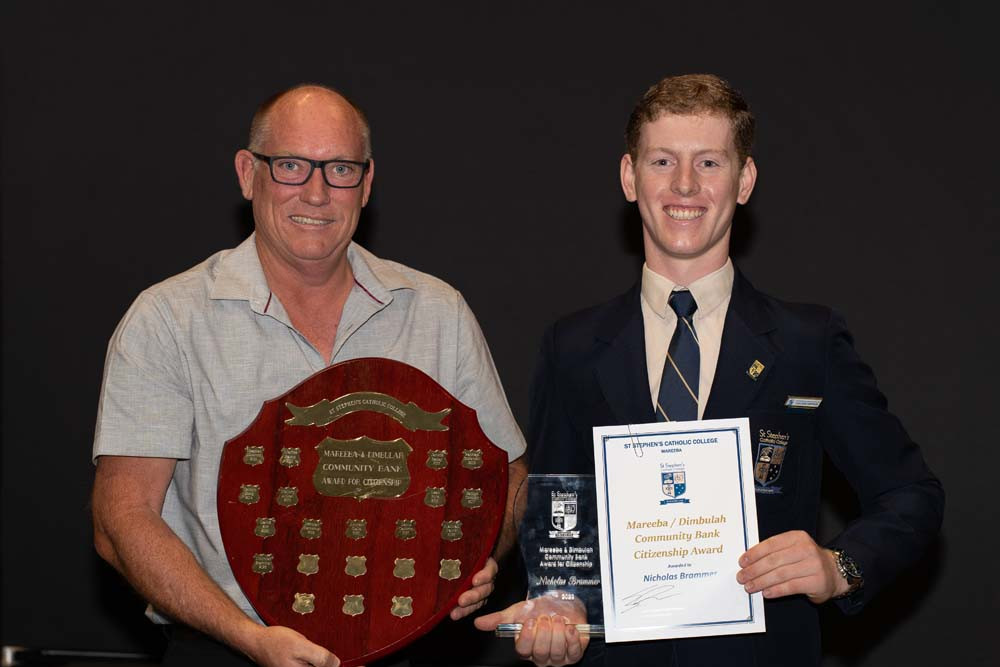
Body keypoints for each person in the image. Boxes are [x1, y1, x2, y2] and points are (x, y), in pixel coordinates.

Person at [475, 74, 944, 666]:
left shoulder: (808, 343)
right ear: (629, 176)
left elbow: (912, 495)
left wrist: (838, 566)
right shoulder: (571, 346)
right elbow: (558, 509)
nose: (685, 185)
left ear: (744, 181)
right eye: (663, 160)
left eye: (710, 163)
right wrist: (560, 602)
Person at [91, 84, 528, 667]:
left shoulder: (436, 312)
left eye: (341, 168)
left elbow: (509, 476)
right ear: (249, 174)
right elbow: (122, 520)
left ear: (367, 184)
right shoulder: (168, 320)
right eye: (292, 166)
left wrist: (483, 555)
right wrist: (246, 637)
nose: (317, 193)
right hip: (228, 649)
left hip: (408, 649)